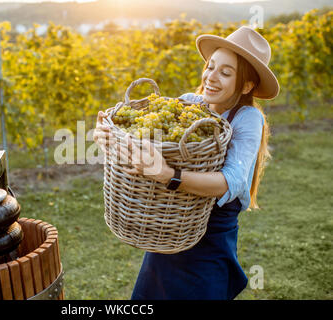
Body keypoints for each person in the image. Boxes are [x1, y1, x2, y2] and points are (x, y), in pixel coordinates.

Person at [93, 26, 280, 299]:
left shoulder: (247, 118)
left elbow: (231, 181)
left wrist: (170, 176)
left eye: (225, 73)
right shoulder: (190, 103)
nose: (211, 78)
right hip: (167, 231)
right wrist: (111, 139)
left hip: (209, 245)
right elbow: (146, 143)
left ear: (247, 85)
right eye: (210, 67)